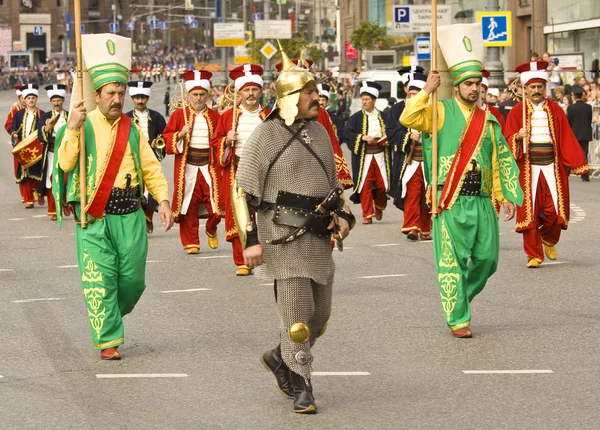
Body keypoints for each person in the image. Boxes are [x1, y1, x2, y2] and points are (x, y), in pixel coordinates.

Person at [236, 48, 355, 414]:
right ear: (288, 98)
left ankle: (278, 356)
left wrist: (346, 217)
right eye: (309, 93)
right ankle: (304, 385)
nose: (317, 98)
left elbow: (334, 186)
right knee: (297, 318)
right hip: (281, 238)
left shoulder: (320, 133)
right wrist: (250, 241)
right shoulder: (265, 136)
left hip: (319, 237)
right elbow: (243, 190)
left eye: (316, 92)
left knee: (319, 317)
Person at [54, 34, 174, 360]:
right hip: (93, 216)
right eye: (111, 93)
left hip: (130, 214)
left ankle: (108, 313)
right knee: (101, 279)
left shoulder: (132, 128)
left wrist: (163, 200)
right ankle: (108, 338)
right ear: (97, 94)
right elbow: (65, 163)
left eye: (121, 92)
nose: (117, 98)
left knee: (133, 281)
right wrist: (73, 128)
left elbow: (150, 167)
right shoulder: (81, 122)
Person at [401, 24, 523, 338]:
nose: (473, 89)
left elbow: (501, 160)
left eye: (477, 84)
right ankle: (458, 318)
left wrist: (506, 195)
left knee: (488, 259)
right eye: (468, 84)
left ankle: (459, 299)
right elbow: (408, 119)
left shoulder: (490, 119)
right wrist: (426, 90)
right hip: (449, 199)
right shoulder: (439, 112)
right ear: (456, 86)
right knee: (451, 263)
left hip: (482, 200)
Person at [504, 60, 589, 268]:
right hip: (528, 168)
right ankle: (533, 254)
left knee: (555, 211)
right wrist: (517, 137)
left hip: (552, 166)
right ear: (525, 89)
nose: (536, 90)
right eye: (532, 87)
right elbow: (505, 140)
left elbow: (566, 137)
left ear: (545, 88)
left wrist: (578, 163)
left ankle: (549, 240)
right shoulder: (517, 112)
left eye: (539, 87)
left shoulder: (555, 109)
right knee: (529, 212)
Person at [211, 64, 270, 275]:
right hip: (238, 170)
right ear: (239, 93)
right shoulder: (228, 117)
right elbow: (215, 142)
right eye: (247, 90)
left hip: (266, 172)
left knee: (266, 213)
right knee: (239, 215)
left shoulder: (270, 116)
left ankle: (266, 254)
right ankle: (242, 260)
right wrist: (226, 142)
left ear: (261, 91)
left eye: (255, 89)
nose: (251, 93)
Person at [163, 69, 221, 254]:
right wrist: (179, 134)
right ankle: (191, 242)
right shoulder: (179, 116)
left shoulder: (214, 116)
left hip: (209, 167)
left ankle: (211, 228)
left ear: (207, 95)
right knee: (188, 205)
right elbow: (165, 139)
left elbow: (219, 139)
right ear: (188, 95)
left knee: (217, 206)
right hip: (188, 167)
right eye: (194, 94)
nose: (198, 98)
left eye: (202, 94)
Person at [344, 81, 392, 224]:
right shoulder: (355, 118)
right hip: (364, 156)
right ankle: (367, 214)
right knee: (365, 185)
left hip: (381, 155)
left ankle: (379, 205)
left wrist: (384, 140)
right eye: (363, 99)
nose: (364, 102)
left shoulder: (384, 116)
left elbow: (391, 132)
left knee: (383, 185)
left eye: (367, 99)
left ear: (374, 101)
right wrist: (362, 137)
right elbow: (348, 134)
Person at [392, 72, 432, 240]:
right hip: (412, 161)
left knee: (427, 194)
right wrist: (408, 136)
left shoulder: (433, 109)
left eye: (417, 94)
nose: (413, 97)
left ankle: (425, 228)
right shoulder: (401, 110)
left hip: (429, 161)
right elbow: (393, 132)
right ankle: (411, 227)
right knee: (412, 193)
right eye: (411, 94)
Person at [125, 80, 168, 233]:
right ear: (132, 99)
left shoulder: (156, 117)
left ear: (147, 98)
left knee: (150, 190)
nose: (140, 101)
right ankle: (139, 218)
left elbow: (165, 137)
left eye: (143, 97)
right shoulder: (125, 118)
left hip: (151, 158)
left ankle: (148, 218)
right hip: (131, 160)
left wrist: (158, 144)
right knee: (134, 189)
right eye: (137, 98)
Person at [10, 83, 45, 209]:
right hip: (24, 148)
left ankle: (37, 192)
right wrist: (14, 135)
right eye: (29, 98)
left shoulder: (42, 114)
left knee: (37, 172)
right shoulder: (19, 114)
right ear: (24, 99)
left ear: (36, 99)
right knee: (24, 174)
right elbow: (13, 127)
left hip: (36, 149)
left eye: (33, 98)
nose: (31, 100)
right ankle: (28, 198)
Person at [37, 84, 69, 220]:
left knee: (67, 179)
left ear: (63, 101)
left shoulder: (69, 115)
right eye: (54, 101)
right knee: (51, 180)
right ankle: (53, 210)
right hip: (51, 153)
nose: (57, 103)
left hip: (67, 152)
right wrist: (46, 128)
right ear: (51, 101)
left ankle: (66, 203)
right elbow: (40, 136)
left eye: (59, 100)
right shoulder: (45, 116)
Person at [5, 85, 26, 202]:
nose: (24, 100)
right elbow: (8, 125)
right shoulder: (14, 110)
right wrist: (14, 132)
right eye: (22, 97)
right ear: (19, 98)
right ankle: (24, 194)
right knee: (20, 168)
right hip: (19, 143)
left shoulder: (34, 110)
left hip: (32, 143)